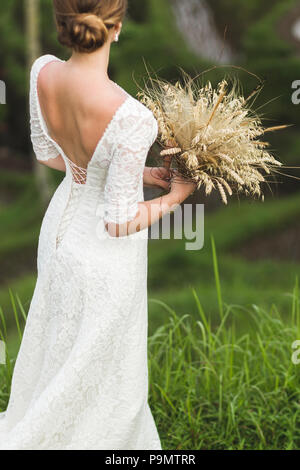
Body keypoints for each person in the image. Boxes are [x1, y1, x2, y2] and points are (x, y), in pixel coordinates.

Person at [0, 0, 196, 450]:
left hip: (59, 234)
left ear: (64, 24)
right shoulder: (131, 117)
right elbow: (120, 221)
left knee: (60, 339)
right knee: (104, 359)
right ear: (118, 27)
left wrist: (141, 175)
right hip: (104, 259)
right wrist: (175, 196)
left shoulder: (42, 72)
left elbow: (51, 156)